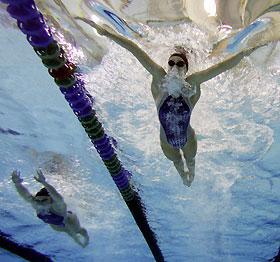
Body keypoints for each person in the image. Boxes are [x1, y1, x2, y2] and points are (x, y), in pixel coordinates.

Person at [77, 17, 262, 187]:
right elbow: (135, 51)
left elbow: (220, 67)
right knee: (177, 163)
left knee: (190, 162)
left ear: (186, 69)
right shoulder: (159, 80)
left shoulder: (192, 85)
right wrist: (107, 33)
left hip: (188, 140)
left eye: (179, 64)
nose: (174, 66)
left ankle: (191, 176)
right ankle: (184, 178)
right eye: (171, 63)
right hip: (165, 143)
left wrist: (243, 53)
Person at [11, 169, 89, 247]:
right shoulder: (36, 204)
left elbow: (58, 198)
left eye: (44, 200)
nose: (40, 202)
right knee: (68, 232)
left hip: (70, 221)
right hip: (56, 224)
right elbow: (25, 195)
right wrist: (17, 184)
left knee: (77, 231)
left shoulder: (57, 206)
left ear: (51, 199)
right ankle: (78, 242)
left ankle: (86, 238)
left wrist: (44, 183)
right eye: (38, 200)